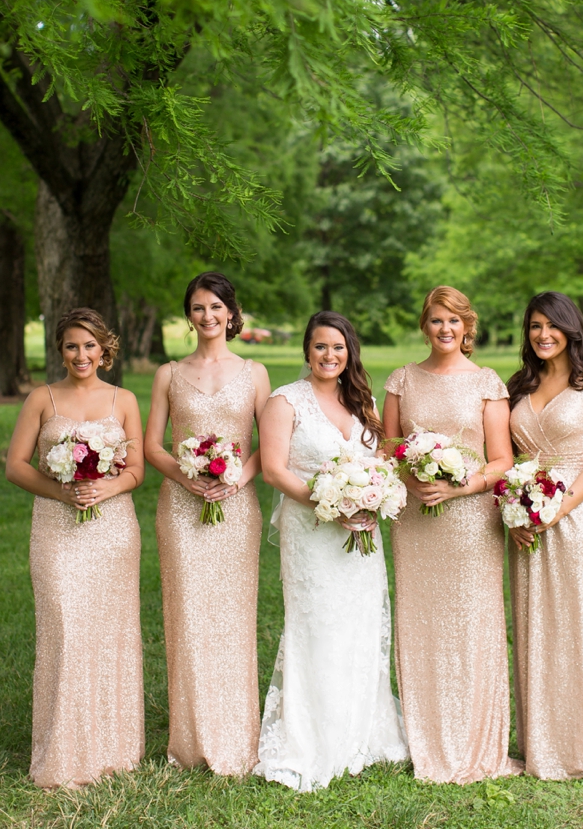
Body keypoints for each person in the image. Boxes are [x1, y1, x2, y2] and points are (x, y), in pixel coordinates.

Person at [255, 311, 408, 791]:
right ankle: (313, 740)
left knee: (361, 623)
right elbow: (275, 471)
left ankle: (363, 731)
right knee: (317, 626)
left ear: (349, 353)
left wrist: (373, 494)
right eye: (321, 347)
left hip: (362, 536)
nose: (329, 356)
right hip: (311, 534)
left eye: (338, 348)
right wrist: (327, 503)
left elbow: (382, 459)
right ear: (307, 350)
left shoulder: (363, 402)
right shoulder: (285, 401)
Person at [382, 285, 520, 784]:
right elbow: (389, 449)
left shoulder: (486, 382)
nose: (445, 329)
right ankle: (428, 738)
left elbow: (502, 459)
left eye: (454, 321)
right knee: (421, 621)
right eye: (437, 321)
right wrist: (410, 478)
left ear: (468, 328)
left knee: (472, 622)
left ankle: (476, 740)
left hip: (470, 522)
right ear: (426, 325)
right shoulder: (402, 380)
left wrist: (460, 489)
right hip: (415, 522)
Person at [5, 308, 144, 789]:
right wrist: (60, 489)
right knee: (65, 630)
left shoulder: (124, 399)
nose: (80, 355)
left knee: (110, 634)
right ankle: (63, 747)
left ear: (105, 349)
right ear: (59, 350)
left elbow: (137, 470)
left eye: (89, 346)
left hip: (113, 532)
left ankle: (115, 746)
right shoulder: (41, 399)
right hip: (56, 529)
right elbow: (16, 466)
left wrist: (105, 489)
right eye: (70, 346)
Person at [145, 272, 269, 775]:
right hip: (180, 508)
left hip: (237, 510)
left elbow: (269, 446)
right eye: (198, 308)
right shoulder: (167, 374)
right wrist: (185, 475)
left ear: (231, 313)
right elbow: (152, 445)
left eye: (216, 307)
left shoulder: (255, 372)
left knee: (234, 620)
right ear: (188, 315)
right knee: (188, 619)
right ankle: (190, 740)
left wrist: (237, 479)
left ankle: (237, 737)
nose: (208, 316)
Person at [507, 291, 583, 780]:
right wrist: (517, 512)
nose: (542, 335)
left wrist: (558, 508)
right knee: (536, 628)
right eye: (534, 326)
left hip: (577, 518)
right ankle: (542, 744)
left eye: (551, 326)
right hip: (527, 522)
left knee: (579, 629)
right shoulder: (520, 384)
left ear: (570, 329)